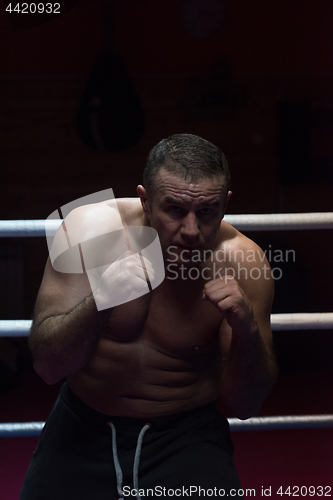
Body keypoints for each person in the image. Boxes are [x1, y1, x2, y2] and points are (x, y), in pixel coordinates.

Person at [20, 134, 278, 500]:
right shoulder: (89, 230)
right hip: (82, 424)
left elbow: (245, 405)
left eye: (206, 212)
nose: (191, 231)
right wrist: (100, 302)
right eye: (174, 210)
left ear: (225, 205)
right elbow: (48, 366)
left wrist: (246, 330)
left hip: (186, 435)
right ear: (145, 199)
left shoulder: (242, 262)